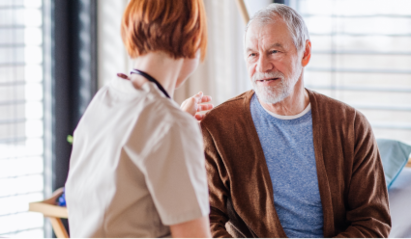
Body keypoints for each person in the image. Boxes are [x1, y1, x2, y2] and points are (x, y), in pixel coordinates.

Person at [200, 4, 391, 238]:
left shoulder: (351, 126)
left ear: (305, 53)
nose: (262, 66)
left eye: (275, 52)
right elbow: (205, 219)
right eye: (252, 54)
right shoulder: (218, 127)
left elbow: (373, 221)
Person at [65, 0, 213, 238]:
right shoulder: (170, 125)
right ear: (194, 38)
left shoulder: (106, 98)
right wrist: (179, 126)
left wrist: (180, 119)